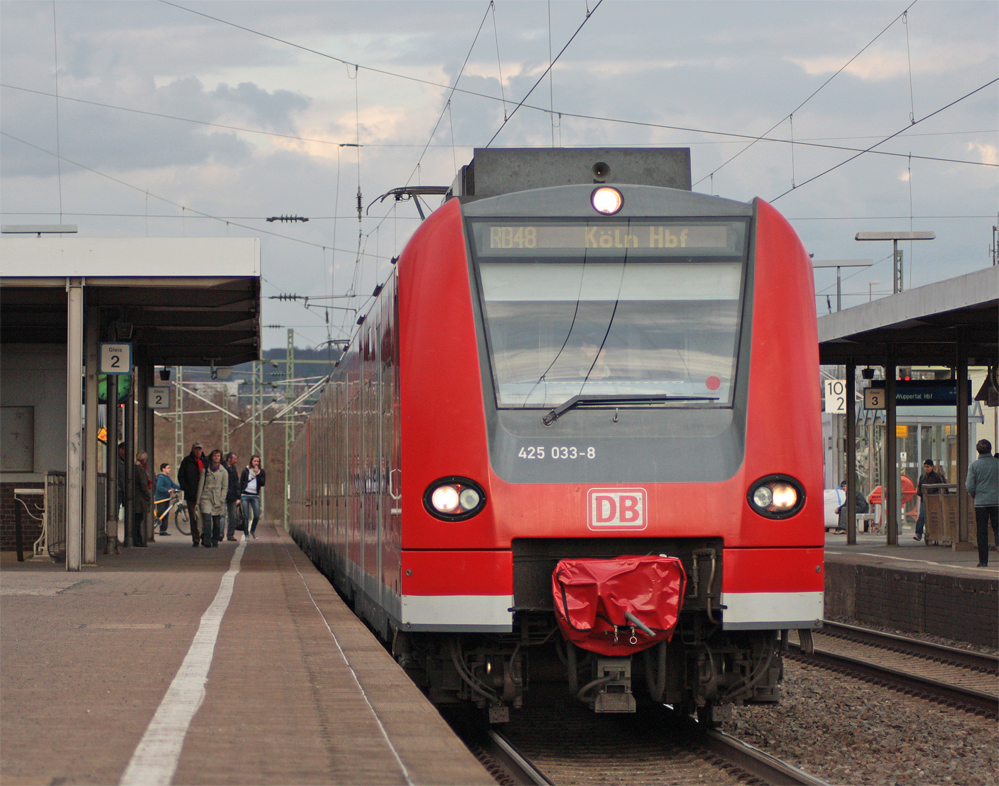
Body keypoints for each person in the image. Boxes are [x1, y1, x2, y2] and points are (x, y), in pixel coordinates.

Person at [966, 439, 999, 568]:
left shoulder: (974, 466)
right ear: (990, 449)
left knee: (982, 531)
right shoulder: (997, 463)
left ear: (978, 450)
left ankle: (983, 561)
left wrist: (976, 496)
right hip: (997, 501)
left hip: (981, 503)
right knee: (998, 528)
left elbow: (969, 486)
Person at [197, 449, 228, 548]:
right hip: (206, 497)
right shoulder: (205, 471)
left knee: (216, 521)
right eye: (214, 456)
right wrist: (198, 501)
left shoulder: (224, 472)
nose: (216, 458)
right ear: (211, 457)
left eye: (218, 456)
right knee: (207, 519)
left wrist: (222, 499)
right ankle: (207, 540)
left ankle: (215, 540)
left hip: (217, 499)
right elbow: (201, 486)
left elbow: (225, 487)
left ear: (221, 458)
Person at [178, 442, 205, 547]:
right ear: (192, 450)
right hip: (191, 494)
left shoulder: (205, 461)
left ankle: (205, 536)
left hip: (204, 494)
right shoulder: (186, 461)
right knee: (194, 517)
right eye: (196, 449)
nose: (198, 451)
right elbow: (181, 476)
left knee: (205, 516)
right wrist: (187, 488)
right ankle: (196, 538)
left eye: (200, 449)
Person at [913, 459, 946, 541]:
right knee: (922, 516)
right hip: (924, 500)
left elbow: (942, 488)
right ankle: (918, 533)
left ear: (932, 467)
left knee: (934, 517)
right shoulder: (922, 476)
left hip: (934, 501)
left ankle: (936, 533)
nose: (926, 468)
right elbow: (919, 487)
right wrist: (921, 493)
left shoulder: (937, 477)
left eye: (928, 467)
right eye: (925, 467)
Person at [240, 455, 266, 540]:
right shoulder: (246, 470)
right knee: (246, 516)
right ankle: (246, 534)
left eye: (258, 461)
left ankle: (252, 530)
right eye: (255, 461)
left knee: (257, 515)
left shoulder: (261, 471)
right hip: (245, 495)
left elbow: (262, 483)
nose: (256, 463)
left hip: (255, 496)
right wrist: (238, 497)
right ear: (251, 461)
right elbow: (241, 483)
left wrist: (257, 473)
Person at [154, 463, 182, 536]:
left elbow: (173, 485)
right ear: (163, 469)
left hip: (166, 498)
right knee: (161, 513)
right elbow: (159, 486)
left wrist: (183, 487)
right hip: (161, 498)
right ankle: (156, 526)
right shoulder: (161, 477)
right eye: (168, 468)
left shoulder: (168, 478)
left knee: (165, 514)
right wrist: (167, 490)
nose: (169, 469)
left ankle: (163, 531)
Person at [133, 451, 152, 547]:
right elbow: (143, 483)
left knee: (137, 519)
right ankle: (136, 539)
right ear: (144, 459)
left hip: (136, 496)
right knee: (138, 519)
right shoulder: (140, 469)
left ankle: (138, 539)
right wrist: (148, 494)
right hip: (139, 497)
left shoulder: (135, 468)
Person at [223, 452, 241, 541]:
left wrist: (238, 496)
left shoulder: (234, 468)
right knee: (221, 515)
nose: (236, 461)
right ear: (229, 459)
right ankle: (220, 534)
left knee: (233, 517)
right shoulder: (222, 468)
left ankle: (230, 535)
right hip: (223, 495)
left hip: (232, 496)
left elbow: (236, 483)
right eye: (234, 459)